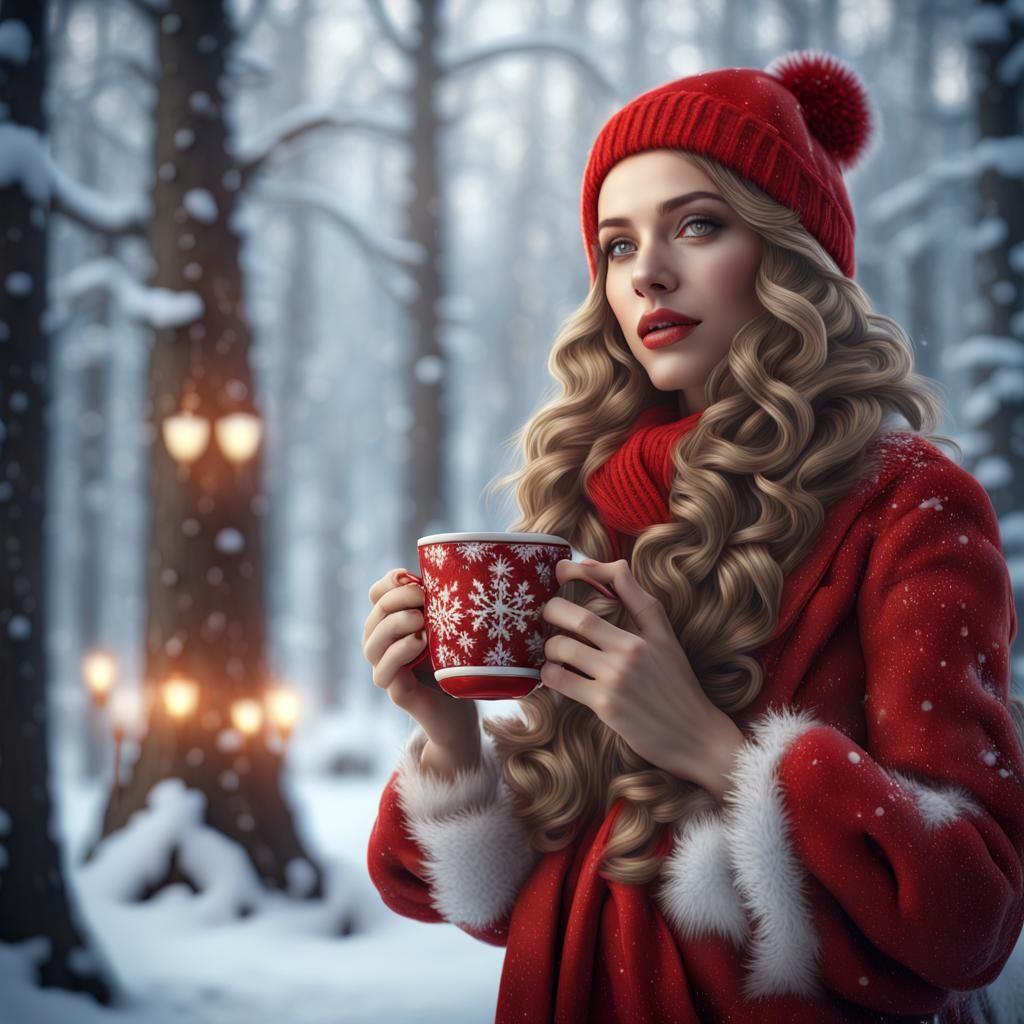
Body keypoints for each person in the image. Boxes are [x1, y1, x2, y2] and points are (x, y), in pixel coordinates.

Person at [361, 49, 1024, 1024]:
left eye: (697, 226)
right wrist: (450, 732)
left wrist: (720, 753)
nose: (648, 275)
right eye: (616, 244)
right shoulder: (592, 501)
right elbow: (498, 896)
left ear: (790, 253)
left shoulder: (909, 504)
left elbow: (971, 911)